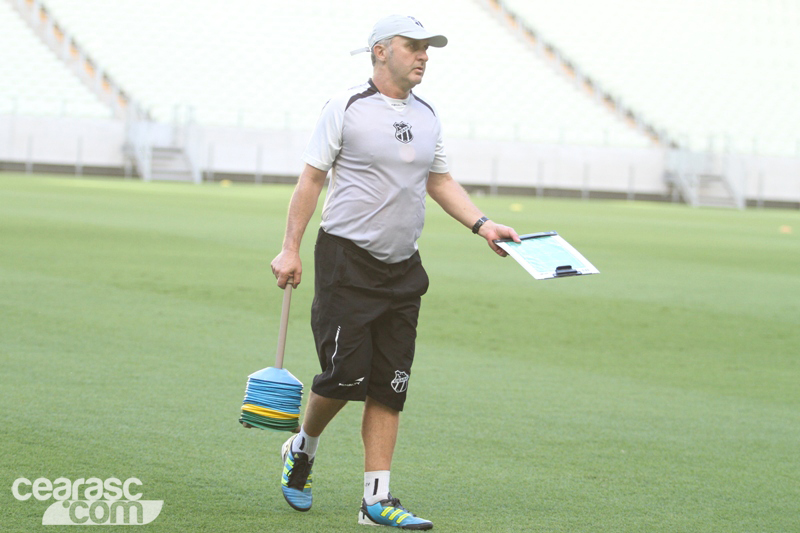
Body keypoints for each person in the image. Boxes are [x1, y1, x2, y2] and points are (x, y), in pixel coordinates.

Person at [270, 14, 520, 529]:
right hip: (346, 261)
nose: (424, 55)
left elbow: (440, 180)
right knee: (343, 378)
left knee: (390, 385)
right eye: (413, 46)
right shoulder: (346, 106)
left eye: (428, 48)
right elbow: (311, 180)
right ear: (381, 51)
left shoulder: (427, 115)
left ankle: (375, 501)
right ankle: (303, 446)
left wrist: (483, 224)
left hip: (404, 267)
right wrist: (289, 249)